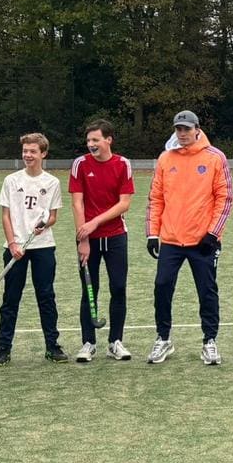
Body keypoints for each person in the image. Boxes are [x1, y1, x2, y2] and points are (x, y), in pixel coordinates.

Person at [146, 110, 233, 364]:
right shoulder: (165, 158)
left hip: (202, 241)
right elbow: (155, 198)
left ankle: (209, 341)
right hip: (171, 240)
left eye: (186, 129)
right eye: (178, 129)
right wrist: (153, 234)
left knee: (207, 291)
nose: (182, 134)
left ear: (197, 129)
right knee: (162, 287)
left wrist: (213, 233)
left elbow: (224, 199)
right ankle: (163, 339)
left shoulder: (215, 157)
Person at [69, 119, 134, 363]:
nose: (91, 144)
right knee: (89, 291)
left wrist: (95, 222)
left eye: (95, 140)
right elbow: (77, 203)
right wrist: (82, 239)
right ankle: (88, 343)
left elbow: (124, 203)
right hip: (88, 240)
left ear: (108, 140)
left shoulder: (123, 164)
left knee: (118, 288)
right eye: (88, 140)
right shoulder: (80, 165)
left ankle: (115, 342)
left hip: (116, 236)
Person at [0, 133, 64, 363]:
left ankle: (52, 347)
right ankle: (3, 349)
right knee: (10, 298)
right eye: (25, 151)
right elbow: (5, 215)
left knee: (46, 296)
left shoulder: (52, 182)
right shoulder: (11, 180)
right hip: (15, 248)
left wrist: (44, 223)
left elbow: (53, 216)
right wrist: (13, 243)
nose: (28, 155)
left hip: (43, 246)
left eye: (33, 151)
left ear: (43, 153)